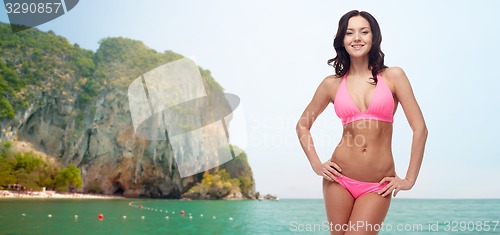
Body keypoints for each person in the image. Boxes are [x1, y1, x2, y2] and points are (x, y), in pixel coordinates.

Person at [296, 10, 428, 235]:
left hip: (378, 185)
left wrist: (409, 179)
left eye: (363, 32)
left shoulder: (393, 76)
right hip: (338, 179)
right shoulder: (331, 84)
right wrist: (316, 164)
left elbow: (420, 129)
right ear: (342, 40)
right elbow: (302, 125)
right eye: (350, 33)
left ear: (374, 37)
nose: (357, 38)